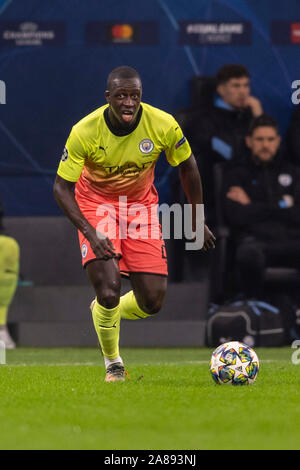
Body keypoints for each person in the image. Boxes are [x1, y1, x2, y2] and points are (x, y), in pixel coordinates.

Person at [53, 66, 215, 382]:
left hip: (141, 208)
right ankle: (113, 363)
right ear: (108, 97)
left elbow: (189, 168)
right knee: (110, 290)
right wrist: (90, 231)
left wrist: (196, 218)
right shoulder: (85, 131)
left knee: (152, 301)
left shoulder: (163, 124)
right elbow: (61, 188)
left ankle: (103, 311)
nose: (129, 103)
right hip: (96, 207)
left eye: (135, 96)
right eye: (122, 96)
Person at [223, 114, 300, 298]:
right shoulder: (235, 175)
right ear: (249, 141)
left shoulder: (293, 172)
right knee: (247, 254)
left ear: (278, 141)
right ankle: (253, 306)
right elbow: (236, 216)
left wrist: (253, 205)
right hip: (256, 241)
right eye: (260, 139)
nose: (265, 145)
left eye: (270, 139)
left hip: (291, 240)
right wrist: (281, 207)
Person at [186, 64, 263, 224]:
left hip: (258, 185)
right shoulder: (204, 120)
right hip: (221, 194)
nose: (243, 91)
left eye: (246, 85)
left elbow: (270, 154)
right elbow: (231, 154)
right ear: (221, 89)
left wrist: (258, 117)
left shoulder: (251, 116)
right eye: (236, 86)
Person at [0, 197, 19, 349]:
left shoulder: (9, 243)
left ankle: (3, 337)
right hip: (8, 278)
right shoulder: (10, 243)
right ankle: (3, 337)